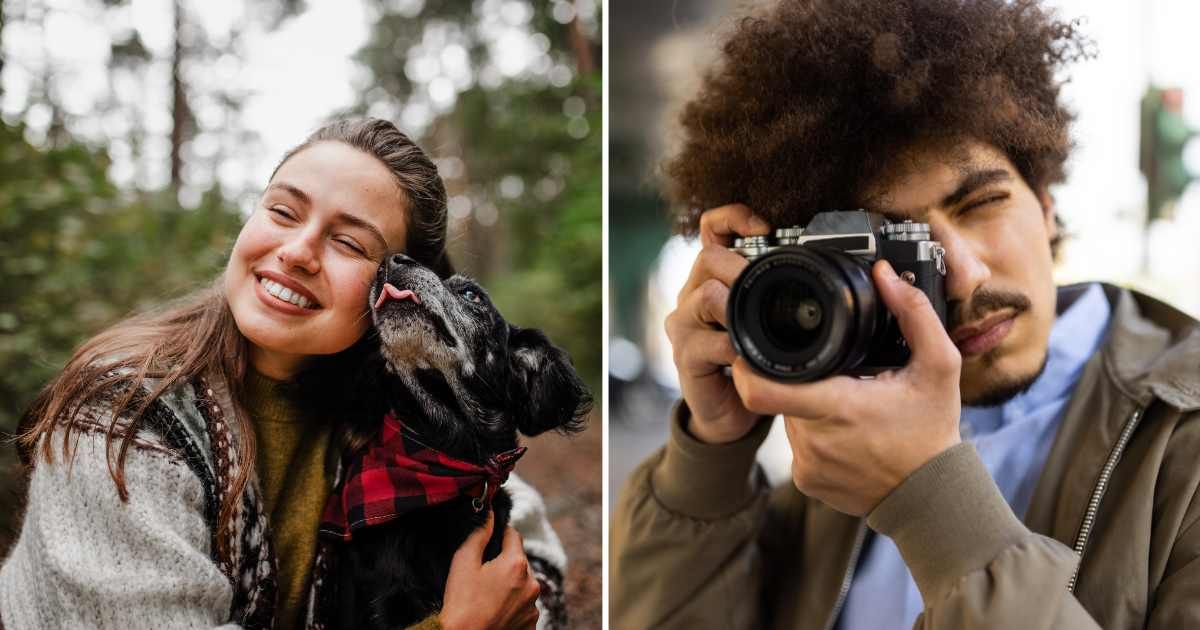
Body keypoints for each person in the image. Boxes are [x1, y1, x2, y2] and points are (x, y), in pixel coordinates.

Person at [611, 1, 1200, 629]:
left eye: (982, 204)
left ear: (1047, 203)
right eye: (896, 245)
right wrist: (710, 461)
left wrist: (931, 501)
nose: (965, 275)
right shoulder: (835, 452)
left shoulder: (1180, 450)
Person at [1, 118, 558, 629]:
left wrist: (523, 598)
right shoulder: (120, 418)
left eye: (349, 242)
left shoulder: (385, 415)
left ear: (401, 296)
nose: (296, 252)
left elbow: (518, 527)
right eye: (283, 211)